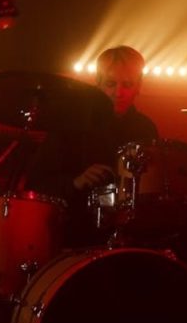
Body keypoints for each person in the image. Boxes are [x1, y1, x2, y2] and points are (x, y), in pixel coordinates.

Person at [26, 45, 158, 247]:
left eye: (127, 84)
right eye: (111, 83)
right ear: (98, 84)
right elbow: (36, 183)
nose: (118, 92)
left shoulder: (146, 129)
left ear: (139, 86)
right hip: (77, 236)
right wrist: (75, 182)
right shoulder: (71, 125)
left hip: (133, 237)